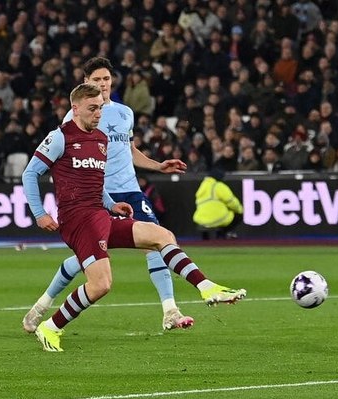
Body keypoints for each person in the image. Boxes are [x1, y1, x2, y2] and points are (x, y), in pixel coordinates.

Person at [22, 58, 246, 337]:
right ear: (85, 83)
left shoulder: (124, 113)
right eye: (96, 80)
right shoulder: (73, 121)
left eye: (106, 79)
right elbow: (47, 169)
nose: (102, 84)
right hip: (90, 201)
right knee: (90, 269)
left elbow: (129, 151)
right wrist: (42, 211)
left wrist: (157, 165)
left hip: (127, 191)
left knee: (159, 239)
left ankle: (171, 310)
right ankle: (43, 308)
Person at [193, 167, 243, 240]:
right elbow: (232, 202)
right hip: (218, 219)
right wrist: (240, 210)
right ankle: (225, 233)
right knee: (238, 214)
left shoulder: (202, 186)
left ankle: (205, 240)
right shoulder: (218, 185)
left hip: (201, 220)